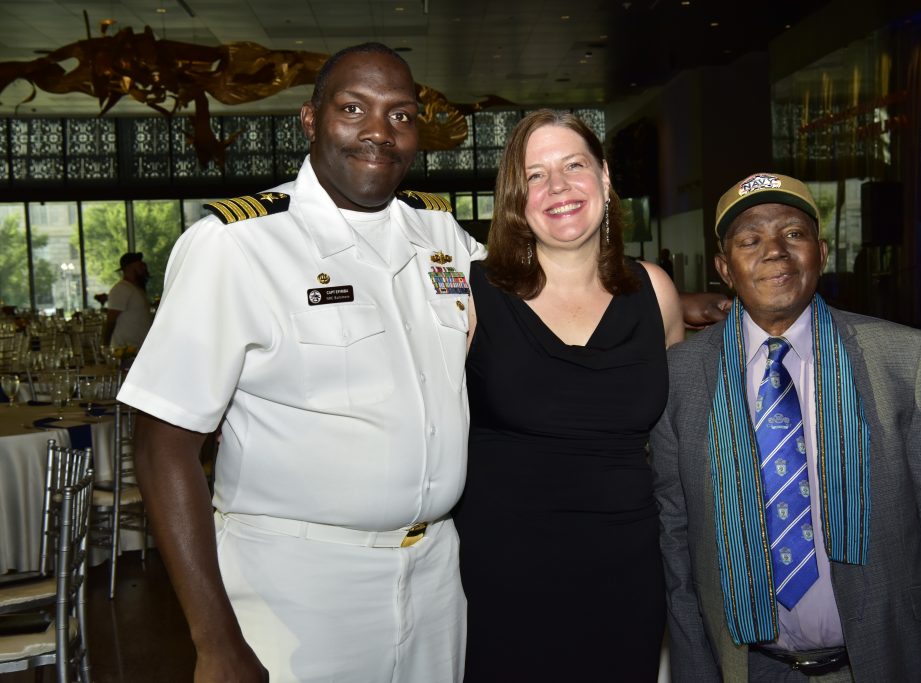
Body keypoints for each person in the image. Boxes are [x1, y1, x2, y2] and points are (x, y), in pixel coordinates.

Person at [119, 43, 484, 682]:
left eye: (400, 115)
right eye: (353, 109)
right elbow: (161, 445)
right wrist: (214, 642)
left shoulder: (441, 235)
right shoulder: (237, 245)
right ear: (311, 120)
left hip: (435, 577)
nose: (379, 131)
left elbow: (540, 301)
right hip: (296, 586)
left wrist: (645, 294)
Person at [651, 172, 921, 682]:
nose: (775, 251)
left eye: (793, 234)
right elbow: (675, 547)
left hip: (880, 664)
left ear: (822, 253)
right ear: (724, 269)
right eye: (750, 240)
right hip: (747, 669)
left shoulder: (903, 359)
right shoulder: (680, 377)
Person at [453, 110, 684, 682]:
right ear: (517, 198)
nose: (557, 187)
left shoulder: (655, 291)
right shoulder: (473, 295)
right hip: (505, 576)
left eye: (573, 166)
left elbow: (679, 441)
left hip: (629, 573)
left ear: (604, 178)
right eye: (535, 175)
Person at [101, 251, 153, 348]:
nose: (144, 268)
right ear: (129, 267)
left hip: (138, 349)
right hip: (127, 351)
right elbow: (110, 321)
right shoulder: (121, 289)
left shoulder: (136, 288)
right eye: (140, 265)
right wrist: (105, 346)